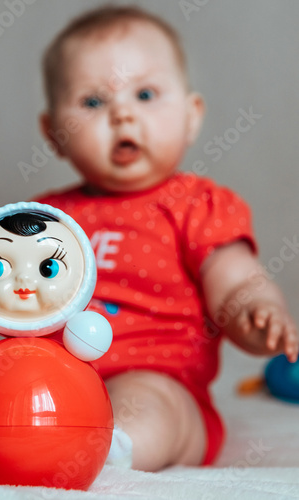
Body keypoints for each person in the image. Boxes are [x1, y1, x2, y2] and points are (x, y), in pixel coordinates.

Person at [35, 5, 298, 472]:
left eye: (145, 94)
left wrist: (257, 313)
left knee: (146, 406)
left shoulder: (197, 205)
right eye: (93, 102)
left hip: (162, 382)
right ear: (54, 132)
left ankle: (108, 451)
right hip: (55, 382)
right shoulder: (45, 219)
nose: (122, 115)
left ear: (192, 116)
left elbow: (234, 280)